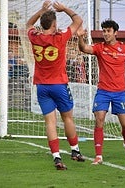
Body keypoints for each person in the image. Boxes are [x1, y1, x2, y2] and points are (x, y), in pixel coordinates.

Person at [26, 0, 85, 170]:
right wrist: (64, 8)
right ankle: (75, 151)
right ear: (54, 24)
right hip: (59, 84)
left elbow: (29, 24)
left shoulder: (34, 37)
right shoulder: (60, 37)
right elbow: (78, 21)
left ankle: (57, 157)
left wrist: (41, 10)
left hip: (42, 86)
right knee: (67, 117)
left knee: (50, 122)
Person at [77, 19, 125, 165]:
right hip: (103, 91)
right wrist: (80, 37)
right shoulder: (99, 48)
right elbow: (84, 49)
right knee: (99, 120)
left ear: (115, 32)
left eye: (108, 31)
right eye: (104, 31)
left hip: (120, 92)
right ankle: (98, 155)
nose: (105, 34)